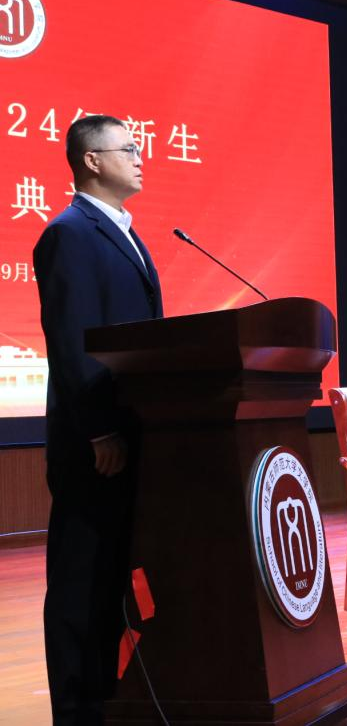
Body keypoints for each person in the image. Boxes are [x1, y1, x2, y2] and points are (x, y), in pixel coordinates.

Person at [34, 115, 163, 724]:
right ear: (91, 160)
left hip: (132, 432)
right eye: (129, 149)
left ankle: (109, 700)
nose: (140, 159)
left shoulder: (125, 233)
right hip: (94, 443)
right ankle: (77, 710)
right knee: (81, 581)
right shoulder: (69, 233)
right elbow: (71, 339)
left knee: (112, 575)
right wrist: (98, 428)